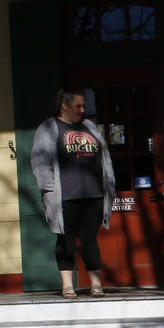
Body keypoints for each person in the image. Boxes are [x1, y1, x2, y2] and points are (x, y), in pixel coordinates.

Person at [31, 89, 115, 298]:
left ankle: (96, 284)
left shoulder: (89, 127)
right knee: (66, 240)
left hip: (94, 194)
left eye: (83, 106)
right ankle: (67, 285)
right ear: (64, 106)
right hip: (65, 195)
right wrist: (49, 187)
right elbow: (40, 160)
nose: (82, 110)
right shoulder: (49, 127)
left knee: (89, 239)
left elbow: (105, 158)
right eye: (78, 106)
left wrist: (109, 185)